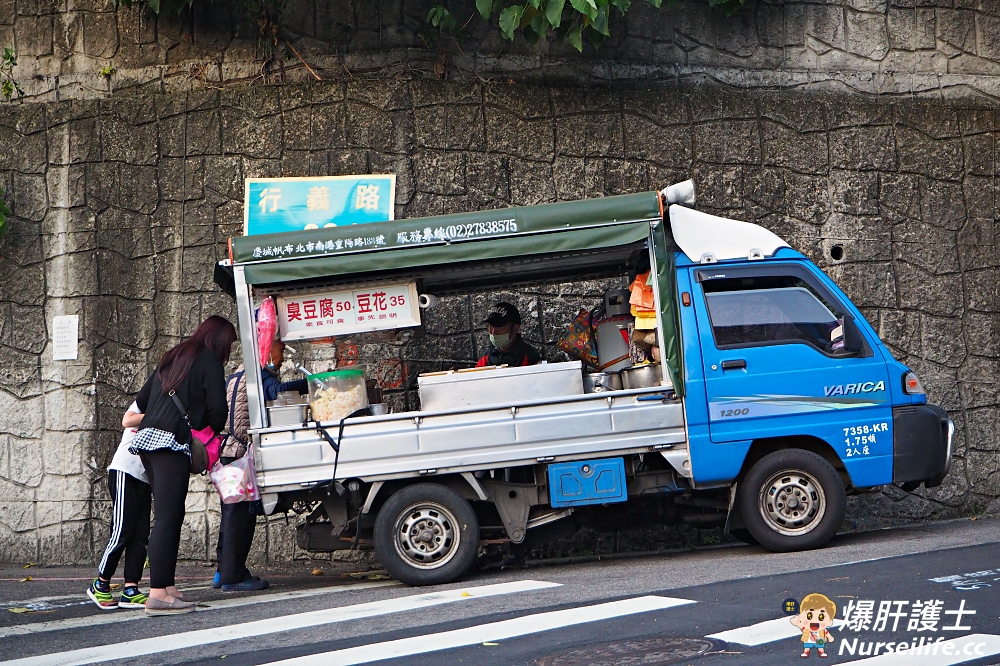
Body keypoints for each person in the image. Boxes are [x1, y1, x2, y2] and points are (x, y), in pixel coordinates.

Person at [130, 315, 237, 616]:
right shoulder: (209, 360)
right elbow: (218, 407)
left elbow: (143, 400)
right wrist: (208, 430)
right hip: (170, 442)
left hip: (148, 440)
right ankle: (157, 595)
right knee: (167, 517)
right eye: (228, 343)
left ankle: (167, 588)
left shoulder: (174, 356)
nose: (228, 350)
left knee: (170, 515)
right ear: (219, 341)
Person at [213, 339, 307, 592]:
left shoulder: (236, 376)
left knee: (230, 514)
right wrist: (311, 382)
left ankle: (223, 572)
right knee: (240, 518)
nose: (283, 356)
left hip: (229, 454)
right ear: (266, 350)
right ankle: (232, 577)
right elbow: (278, 391)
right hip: (239, 455)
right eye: (280, 350)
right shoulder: (257, 375)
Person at [86, 402, 152, 610]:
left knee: (140, 536)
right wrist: (157, 415)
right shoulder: (147, 400)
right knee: (122, 530)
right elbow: (127, 420)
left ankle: (131, 589)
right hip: (125, 471)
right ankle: (100, 584)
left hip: (145, 478)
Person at [475, 301, 542, 367]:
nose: (493, 332)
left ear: (515, 329)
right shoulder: (486, 358)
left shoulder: (528, 357)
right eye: (489, 326)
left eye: (500, 327)